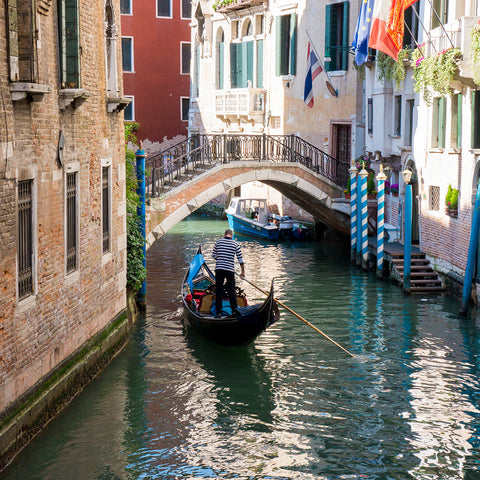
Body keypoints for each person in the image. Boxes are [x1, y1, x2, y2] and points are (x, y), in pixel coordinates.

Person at [212, 229, 245, 318]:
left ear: (224, 234)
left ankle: (219, 313)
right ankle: (234, 311)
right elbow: (240, 260)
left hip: (219, 269)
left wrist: (220, 259)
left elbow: (214, 255)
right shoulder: (235, 244)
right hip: (230, 270)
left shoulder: (218, 242)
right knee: (232, 291)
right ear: (231, 235)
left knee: (218, 290)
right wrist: (242, 272)